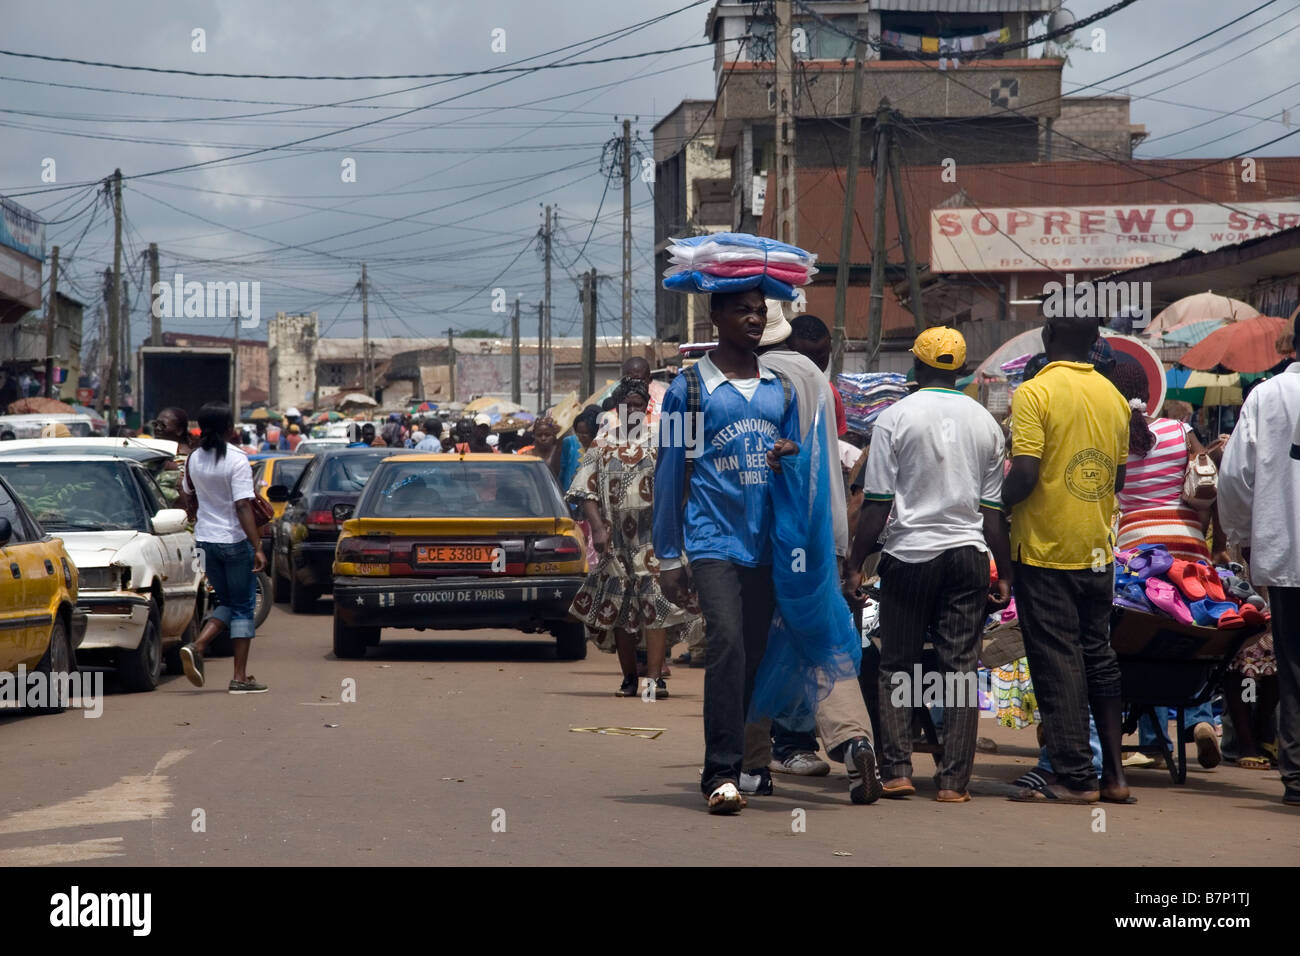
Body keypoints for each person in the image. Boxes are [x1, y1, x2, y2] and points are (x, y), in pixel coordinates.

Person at [847, 327, 1010, 803]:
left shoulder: (894, 418)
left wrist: (856, 563)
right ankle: (954, 782)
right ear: (959, 370)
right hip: (968, 556)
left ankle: (897, 770)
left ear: (916, 369)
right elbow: (994, 513)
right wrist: (1005, 571)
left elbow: (876, 504)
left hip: (909, 556)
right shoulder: (986, 422)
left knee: (897, 661)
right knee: (960, 667)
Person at [653, 288, 800, 814]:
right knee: (728, 645)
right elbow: (671, 469)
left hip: (766, 545)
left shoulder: (780, 390)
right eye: (743, 309)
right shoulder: (689, 390)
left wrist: (790, 452)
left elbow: (797, 462)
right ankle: (721, 773)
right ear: (716, 316)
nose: (755, 318)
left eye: (760, 310)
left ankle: (738, 763)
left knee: (755, 658)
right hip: (712, 540)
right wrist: (669, 555)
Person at [753, 300, 882, 801]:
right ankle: (854, 743)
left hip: (768, 536)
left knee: (754, 647)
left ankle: (751, 764)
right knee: (824, 643)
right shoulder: (818, 381)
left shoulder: (756, 376)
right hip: (821, 536)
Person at [1003, 313, 1132, 805]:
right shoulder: (1114, 397)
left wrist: (990, 501)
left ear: (1048, 338)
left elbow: (1026, 474)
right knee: (1097, 656)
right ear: (1097, 344)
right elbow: (1116, 481)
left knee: (1058, 661)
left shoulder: (1035, 392)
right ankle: (1115, 778)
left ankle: (1076, 777)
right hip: (1098, 549)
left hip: (1046, 549)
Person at [1111, 362, 1222, 767]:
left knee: (1146, 638)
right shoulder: (1178, 429)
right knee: (1194, 633)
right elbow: (1207, 476)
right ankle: (1199, 719)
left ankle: (1155, 740)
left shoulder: (1112, 437)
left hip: (1137, 554)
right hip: (1188, 545)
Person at [567, 377, 699, 697]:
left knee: (655, 606)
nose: (634, 410)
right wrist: (597, 528)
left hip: (653, 539)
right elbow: (585, 490)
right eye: (627, 405)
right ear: (617, 408)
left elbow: (686, 477)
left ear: (646, 408)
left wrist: (675, 516)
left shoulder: (660, 440)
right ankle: (629, 679)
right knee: (622, 611)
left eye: (640, 405)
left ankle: (654, 681)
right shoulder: (603, 444)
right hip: (614, 542)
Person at [1218, 314, 1300, 807]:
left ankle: (1296, 773)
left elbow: (1234, 478)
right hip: (1285, 554)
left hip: (1289, 555)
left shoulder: (1268, 397)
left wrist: (1243, 538)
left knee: (1292, 666)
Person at [178, 402, 268, 694]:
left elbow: (187, 494)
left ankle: (198, 645)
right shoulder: (236, 459)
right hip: (233, 540)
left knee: (227, 602)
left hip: (204, 541)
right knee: (242, 607)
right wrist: (257, 546)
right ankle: (237, 675)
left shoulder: (193, 459)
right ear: (229, 429)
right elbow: (243, 505)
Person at [787, 314, 848, 438]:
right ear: (787, 351)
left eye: (820, 360)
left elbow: (839, 442)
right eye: (805, 362)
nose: (812, 369)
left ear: (830, 351)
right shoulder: (777, 388)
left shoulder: (830, 393)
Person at [153, 406, 194, 506]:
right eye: (156, 424)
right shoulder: (155, 453)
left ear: (179, 430)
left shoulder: (186, 458)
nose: (157, 429)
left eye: (163, 425)